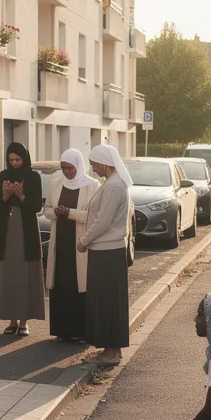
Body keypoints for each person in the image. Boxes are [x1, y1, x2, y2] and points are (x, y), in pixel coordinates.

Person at [78, 144, 133, 365]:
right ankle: (113, 349)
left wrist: (83, 241)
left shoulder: (113, 186)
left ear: (103, 163)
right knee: (111, 301)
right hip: (111, 250)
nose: (92, 169)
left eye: (93, 165)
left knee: (106, 302)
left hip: (106, 251)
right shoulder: (114, 182)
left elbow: (103, 221)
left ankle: (109, 352)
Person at [0, 142, 46, 335]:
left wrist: (21, 197)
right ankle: (12, 320)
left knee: (25, 273)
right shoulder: (2, 176)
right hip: (6, 229)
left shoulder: (33, 177)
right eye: (11, 160)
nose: (14, 163)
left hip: (26, 229)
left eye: (18, 159)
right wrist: (5, 196)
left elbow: (37, 206)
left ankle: (24, 322)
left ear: (25, 158)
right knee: (9, 274)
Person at [43, 148, 99, 342]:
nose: (66, 172)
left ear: (79, 166)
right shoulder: (56, 183)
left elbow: (93, 217)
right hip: (60, 243)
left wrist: (70, 213)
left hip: (79, 243)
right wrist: (56, 213)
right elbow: (47, 209)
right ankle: (62, 330)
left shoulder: (92, 185)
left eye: (70, 168)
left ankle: (83, 331)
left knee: (79, 286)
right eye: (63, 168)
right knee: (61, 285)